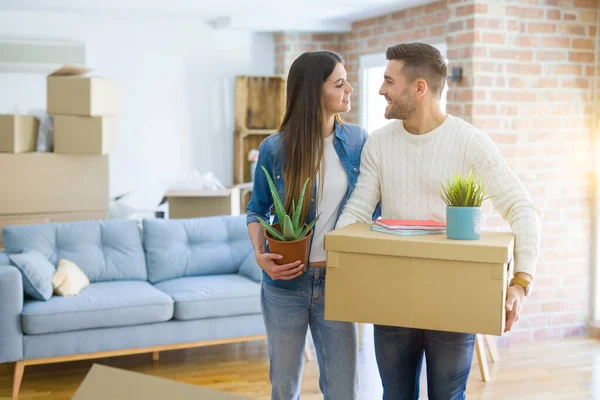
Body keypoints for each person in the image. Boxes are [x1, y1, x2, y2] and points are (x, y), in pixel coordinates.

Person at [335, 42, 543, 400]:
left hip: (454, 296)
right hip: (391, 294)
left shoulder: (469, 142)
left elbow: (523, 209)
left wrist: (520, 283)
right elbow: (357, 212)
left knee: (447, 396)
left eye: (388, 81)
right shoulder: (380, 144)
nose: (381, 90)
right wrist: (335, 260)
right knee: (395, 395)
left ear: (419, 89)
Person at [246, 50, 378, 399]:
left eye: (347, 80)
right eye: (339, 83)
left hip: (338, 281)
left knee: (342, 390)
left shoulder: (358, 141)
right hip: (285, 284)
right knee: (284, 387)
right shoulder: (275, 148)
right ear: (313, 92)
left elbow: (373, 207)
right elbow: (257, 209)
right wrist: (260, 253)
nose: (349, 88)